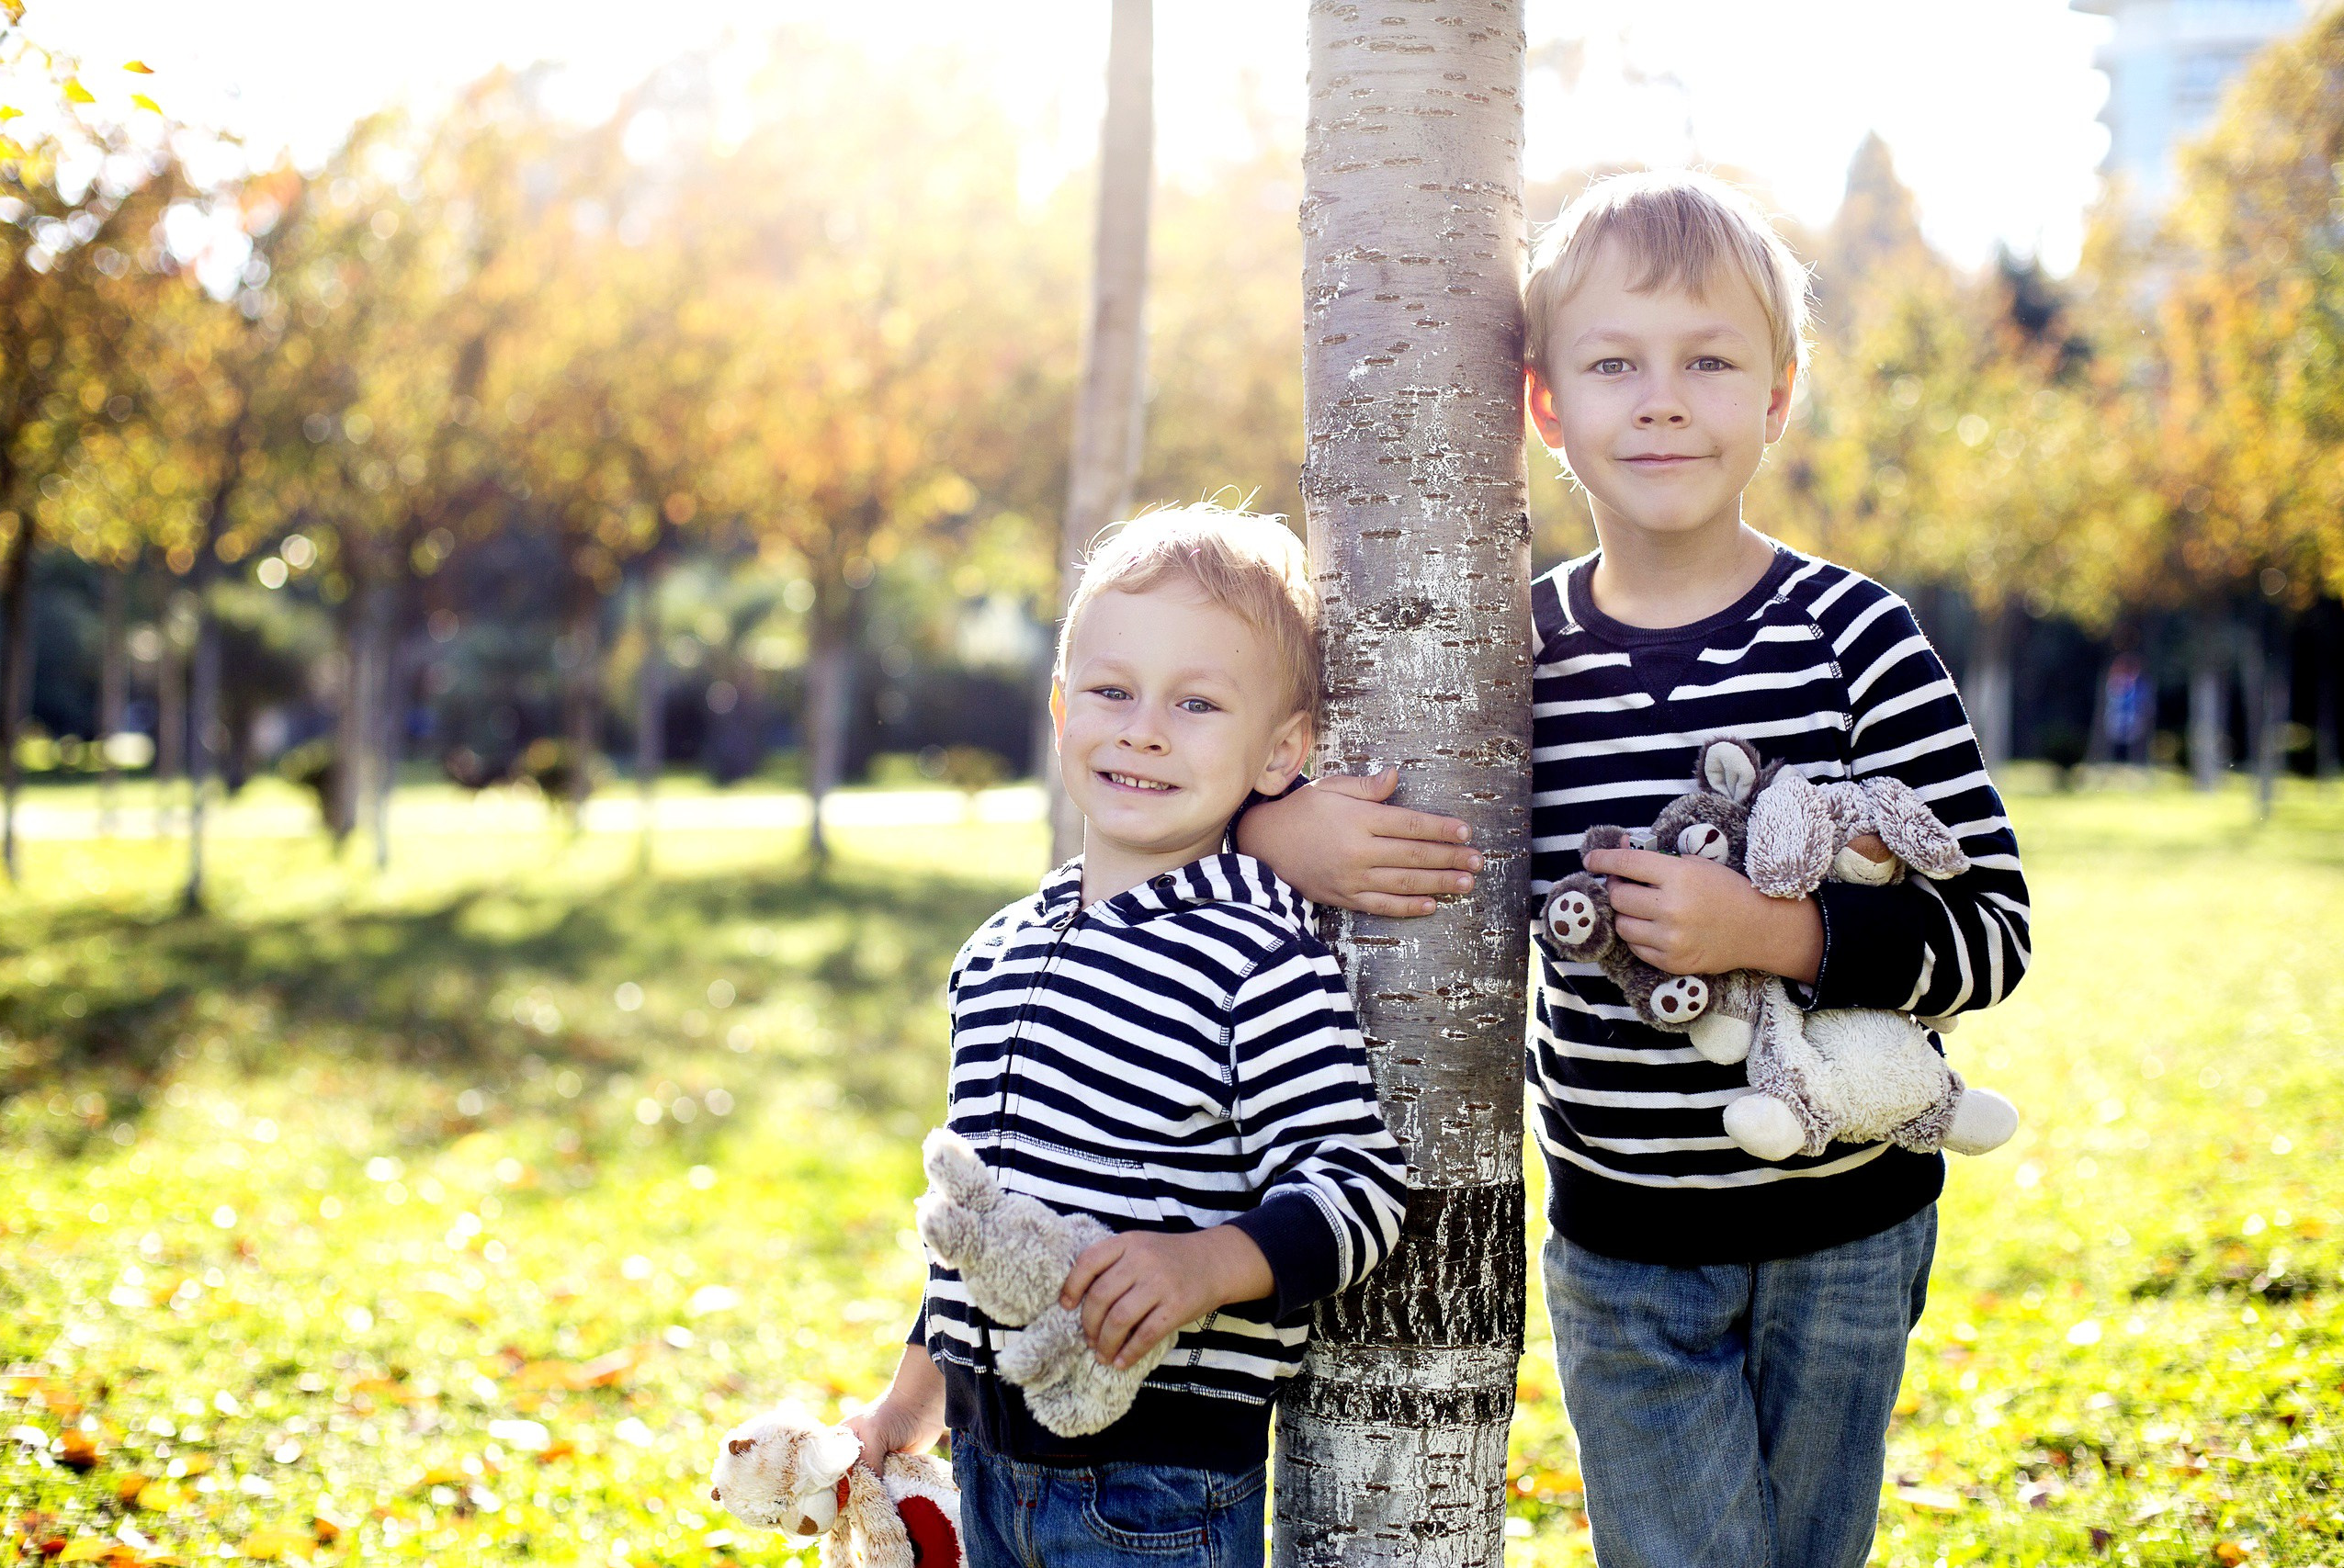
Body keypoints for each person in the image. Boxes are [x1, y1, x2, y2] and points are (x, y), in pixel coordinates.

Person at [1240, 171, 2033, 1567]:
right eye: (1616, 363)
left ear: (1778, 394)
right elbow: (1333, 797)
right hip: (1622, 1247)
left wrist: (1782, 932)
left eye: (1710, 362)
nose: (1662, 400)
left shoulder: (1856, 636)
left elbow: (1995, 929)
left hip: (1849, 1224)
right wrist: (1276, 827)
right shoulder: (1504, 657)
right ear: (1548, 406)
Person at [844, 504, 1409, 1568]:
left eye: (1196, 703)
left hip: (1155, 1490)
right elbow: (980, 1228)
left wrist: (1204, 1266)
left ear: (1281, 749)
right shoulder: (998, 949)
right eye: (1112, 690)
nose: (1143, 729)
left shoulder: (1253, 955)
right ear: (1061, 710)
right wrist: (907, 1403)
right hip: (984, 1461)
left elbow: (1360, 1187)